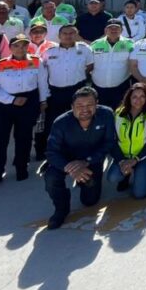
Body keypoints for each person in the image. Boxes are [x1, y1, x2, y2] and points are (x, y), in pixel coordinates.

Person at [43, 86, 115, 229]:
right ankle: (61, 209)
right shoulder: (60, 122)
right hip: (67, 161)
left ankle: (83, 181)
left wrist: (87, 161)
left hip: (92, 159)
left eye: (89, 105)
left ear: (97, 104)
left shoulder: (106, 115)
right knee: (50, 176)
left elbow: (109, 143)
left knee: (90, 201)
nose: (85, 109)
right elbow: (51, 152)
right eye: (79, 106)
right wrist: (70, 168)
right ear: (72, 107)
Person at [0, 34, 49, 186]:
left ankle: (21, 167)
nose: (21, 48)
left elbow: (42, 83)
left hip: (28, 102)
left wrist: (43, 100)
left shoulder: (36, 61)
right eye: (16, 46)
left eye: (24, 45)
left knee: (24, 137)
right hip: (4, 103)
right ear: (10, 48)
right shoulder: (0, 64)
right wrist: (11, 100)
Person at [34, 24, 94, 171]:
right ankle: (52, 157)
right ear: (59, 36)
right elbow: (43, 73)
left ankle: (78, 156)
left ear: (76, 35)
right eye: (65, 33)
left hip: (77, 91)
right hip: (56, 93)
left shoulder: (85, 49)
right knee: (53, 125)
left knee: (79, 124)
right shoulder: (49, 52)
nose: (68, 36)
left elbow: (90, 66)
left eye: (71, 33)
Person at [107, 82, 146, 199]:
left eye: (142, 96)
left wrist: (136, 159)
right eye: (135, 97)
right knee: (112, 177)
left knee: (140, 194)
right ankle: (126, 175)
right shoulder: (118, 114)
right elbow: (112, 140)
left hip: (144, 156)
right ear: (129, 98)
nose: (138, 100)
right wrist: (121, 161)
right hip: (124, 156)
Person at [88, 19, 134, 110]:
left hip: (121, 87)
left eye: (116, 28)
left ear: (122, 30)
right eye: (110, 28)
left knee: (120, 112)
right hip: (98, 87)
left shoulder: (130, 44)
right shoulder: (95, 44)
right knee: (99, 113)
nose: (113, 30)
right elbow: (89, 63)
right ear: (105, 30)